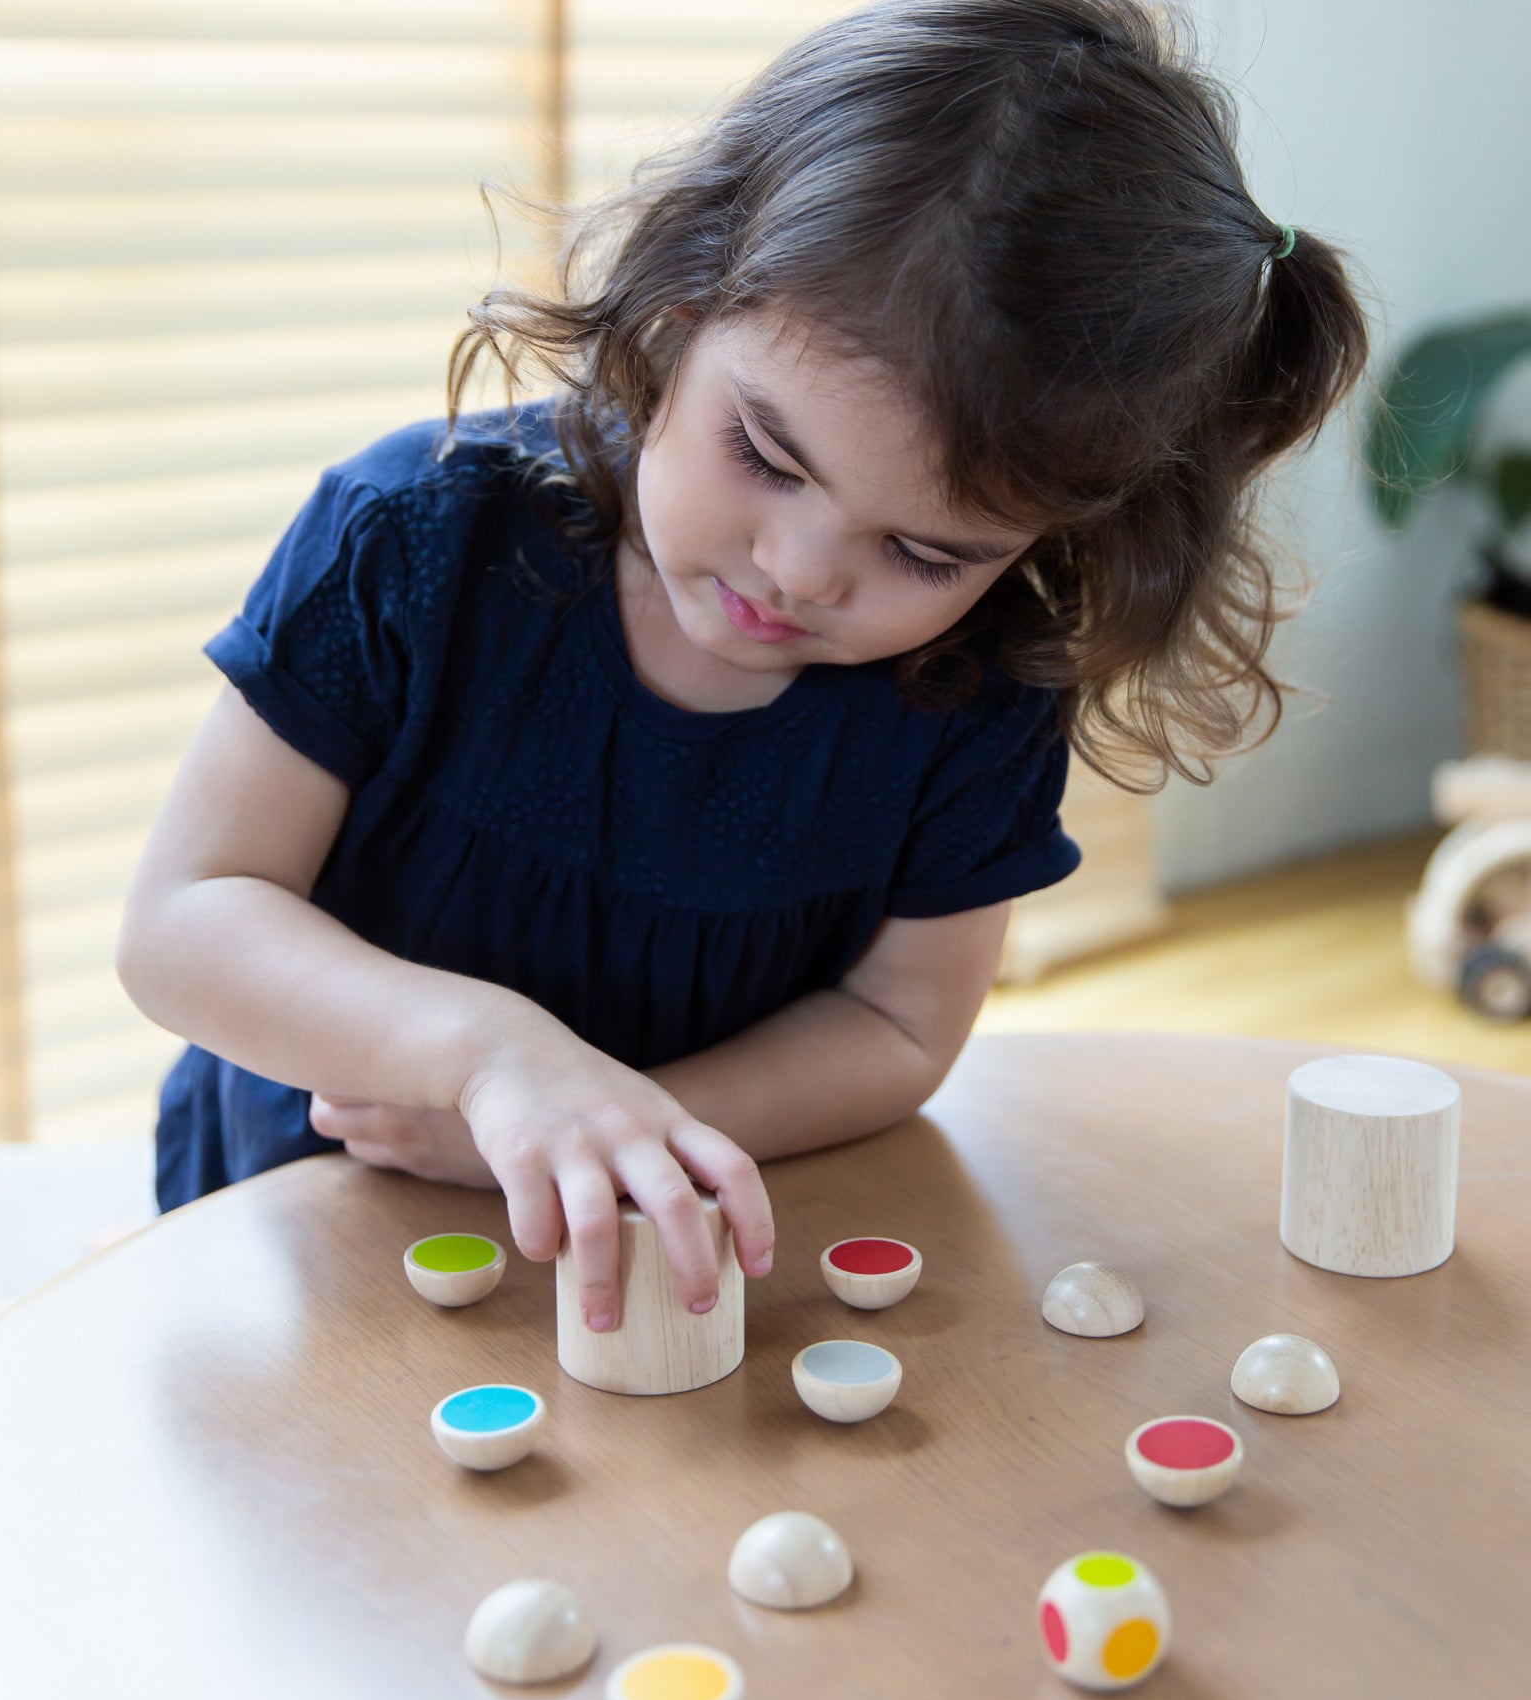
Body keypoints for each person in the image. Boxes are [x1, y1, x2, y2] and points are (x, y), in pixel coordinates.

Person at [116, 0, 1371, 1333]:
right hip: (326, 1217)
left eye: (928, 552)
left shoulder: (982, 689)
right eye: (767, 459)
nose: (802, 570)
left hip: (688, 1251)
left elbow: (897, 1031)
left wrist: (623, 1133)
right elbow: (186, 923)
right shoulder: (418, 541)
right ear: (675, 309)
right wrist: (487, 1065)